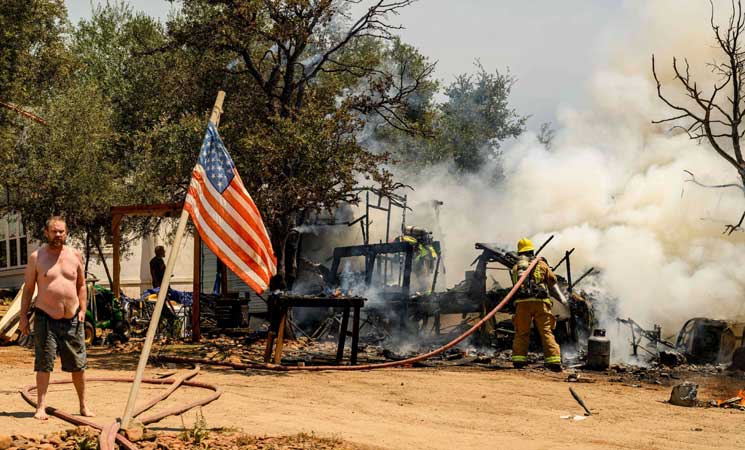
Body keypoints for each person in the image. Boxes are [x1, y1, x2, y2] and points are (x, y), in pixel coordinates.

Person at [18, 216, 94, 420]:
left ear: (66, 233)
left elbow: (81, 285)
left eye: (61, 231)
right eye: (54, 231)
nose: (58, 235)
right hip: (45, 318)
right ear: (46, 233)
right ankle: (40, 407)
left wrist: (82, 310)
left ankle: (83, 405)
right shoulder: (37, 257)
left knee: (79, 365)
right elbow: (28, 289)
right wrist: (23, 317)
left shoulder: (75, 255)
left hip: (72, 320)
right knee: (43, 363)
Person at [510, 238, 563, 372]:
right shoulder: (542, 264)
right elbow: (552, 281)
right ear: (532, 250)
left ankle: (519, 360)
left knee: (521, 332)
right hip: (541, 303)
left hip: (522, 304)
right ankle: (554, 361)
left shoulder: (516, 268)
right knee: (546, 331)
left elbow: (515, 285)